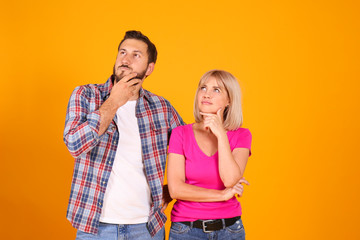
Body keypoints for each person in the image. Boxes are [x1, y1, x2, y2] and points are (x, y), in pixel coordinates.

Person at [63, 30, 184, 240]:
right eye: (122, 52)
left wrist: (171, 190)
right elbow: (74, 145)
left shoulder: (161, 108)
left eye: (136, 55)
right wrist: (113, 102)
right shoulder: (85, 95)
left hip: (147, 229)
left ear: (150, 68)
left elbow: (190, 150)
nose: (125, 60)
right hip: (95, 229)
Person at [167, 70, 252, 240]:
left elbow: (230, 180)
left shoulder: (241, 135)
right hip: (186, 229)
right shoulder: (180, 133)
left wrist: (221, 134)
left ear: (229, 100)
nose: (206, 94)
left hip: (230, 230)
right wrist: (221, 195)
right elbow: (175, 189)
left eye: (216, 90)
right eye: (203, 88)